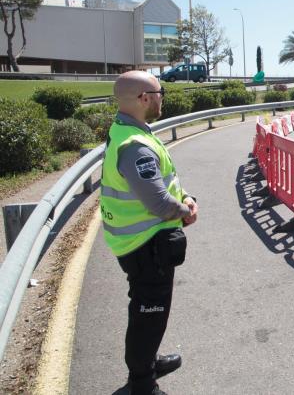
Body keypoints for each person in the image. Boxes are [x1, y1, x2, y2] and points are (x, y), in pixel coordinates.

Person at [100, 70, 199, 395]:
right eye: (160, 92)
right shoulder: (136, 147)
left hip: (138, 241)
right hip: (144, 245)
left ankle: (148, 361)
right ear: (144, 99)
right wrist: (186, 211)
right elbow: (157, 201)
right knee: (148, 313)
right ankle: (142, 382)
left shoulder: (130, 131)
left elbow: (162, 183)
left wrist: (184, 196)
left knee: (148, 311)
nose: (162, 97)